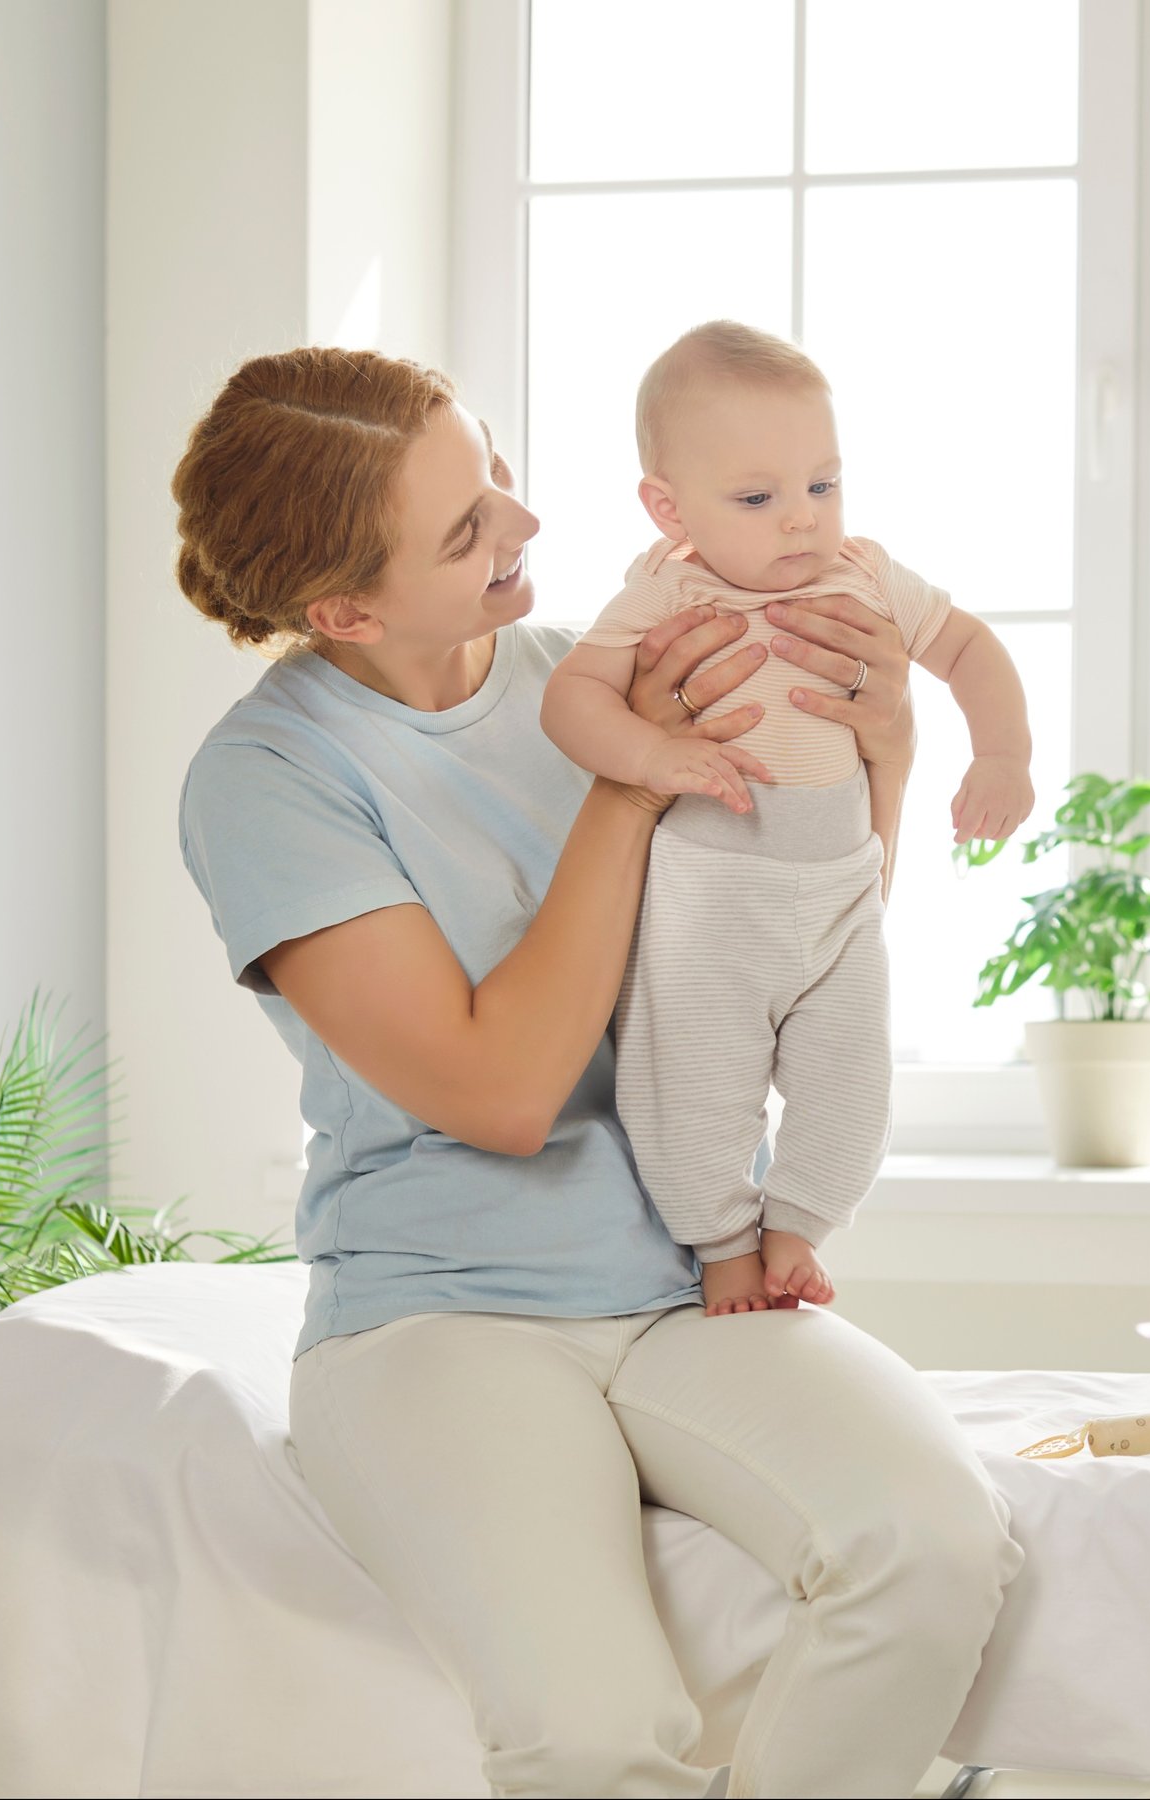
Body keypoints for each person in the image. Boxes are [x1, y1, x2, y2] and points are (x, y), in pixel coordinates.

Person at [171, 346, 1024, 1798]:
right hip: (445, 1316)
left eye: (493, 471)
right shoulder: (272, 777)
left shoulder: (604, 664)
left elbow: (809, 927)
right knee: (591, 1727)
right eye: (466, 529)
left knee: (934, 1550)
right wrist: (629, 787)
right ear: (343, 609)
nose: (525, 524)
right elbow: (497, 1093)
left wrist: (886, 747)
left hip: (698, 1277)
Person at [543, 320, 1035, 1316]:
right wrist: (651, 756)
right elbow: (570, 698)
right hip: (710, 894)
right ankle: (722, 1243)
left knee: (852, 1085)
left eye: (823, 483)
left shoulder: (863, 573)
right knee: (689, 1082)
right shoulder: (665, 587)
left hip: (841, 894)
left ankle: (798, 1225)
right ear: (666, 506)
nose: (802, 520)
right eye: (758, 498)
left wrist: (1002, 754)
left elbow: (970, 648)